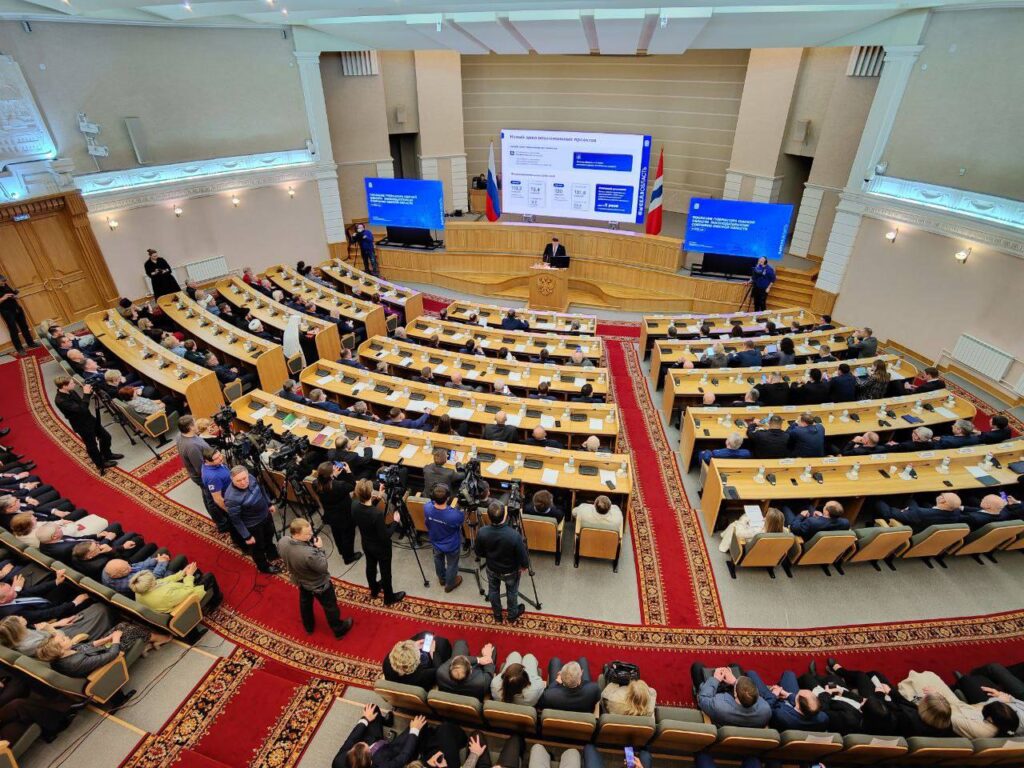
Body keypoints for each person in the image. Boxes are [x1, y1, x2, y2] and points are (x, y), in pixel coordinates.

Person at [277, 518, 353, 639]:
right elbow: (323, 567)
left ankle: (309, 626)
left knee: (305, 604)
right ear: (296, 534)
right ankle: (338, 629)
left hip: (300, 580)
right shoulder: (309, 553)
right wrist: (319, 548)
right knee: (330, 607)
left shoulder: (283, 541)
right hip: (318, 585)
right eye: (307, 534)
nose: (311, 535)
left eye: (311, 531)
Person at [352, 479, 405, 605]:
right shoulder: (376, 514)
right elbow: (385, 535)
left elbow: (366, 509)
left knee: (370, 567)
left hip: (366, 543)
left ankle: (374, 589)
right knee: (385, 572)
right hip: (381, 548)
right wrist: (395, 521)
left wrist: (378, 497)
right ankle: (389, 598)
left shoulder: (354, 505)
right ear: (371, 493)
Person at [475, 501, 529, 623]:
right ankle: (512, 615)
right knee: (512, 592)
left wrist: (490, 556)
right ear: (505, 516)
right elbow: (522, 556)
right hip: (510, 571)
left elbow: (478, 552)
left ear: (489, 516)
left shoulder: (482, 532)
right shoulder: (514, 535)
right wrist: (525, 566)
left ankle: (497, 615)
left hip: (492, 568)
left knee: (493, 591)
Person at [53, 376, 121, 474]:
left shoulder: (71, 391)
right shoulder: (61, 401)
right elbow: (82, 409)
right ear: (64, 386)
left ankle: (107, 454)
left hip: (89, 419)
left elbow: (82, 404)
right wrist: (86, 394)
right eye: (71, 383)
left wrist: (89, 394)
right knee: (92, 446)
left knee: (106, 437)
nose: (74, 384)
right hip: (81, 425)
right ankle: (100, 464)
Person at [223, 465, 281, 574]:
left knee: (269, 535)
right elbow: (235, 519)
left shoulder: (251, 477)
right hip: (253, 525)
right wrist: (247, 536)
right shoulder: (231, 498)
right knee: (257, 548)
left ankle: (271, 553)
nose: (243, 482)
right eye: (238, 480)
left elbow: (261, 489)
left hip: (266, 515)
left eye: (244, 478)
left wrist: (269, 503)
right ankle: (264, 567)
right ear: (232, 480)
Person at [179, 416, 231, 535]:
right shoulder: (192, 446)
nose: (197, 424)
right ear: (190, 427)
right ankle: (223, 524)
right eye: (194, 422)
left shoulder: (184, 436)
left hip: (199, 475)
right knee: (212, 500)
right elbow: (200, 467)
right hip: (202, 477)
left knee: (207, 498)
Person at [332, 704, 424, 768]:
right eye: (365, 746)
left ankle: (387, 722)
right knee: (421, 725)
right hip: (390, 752)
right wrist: (414, 730)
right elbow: (403, 757)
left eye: (355, 746)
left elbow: (351, 739)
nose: (361, 741)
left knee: (372, 708)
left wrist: (365, 719)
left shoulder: (338, 761)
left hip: (373, 741)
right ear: (370, 760)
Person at [746, 668, 828, 731]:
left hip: (773, 704)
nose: (796, 693)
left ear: (798, 705)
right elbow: (801, 702)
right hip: (788, 703)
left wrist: (774, 694)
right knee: (789, 674)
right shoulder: (822, 718)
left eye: (797, 694)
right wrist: (788, 695)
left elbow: (766, 708)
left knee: (751, 673)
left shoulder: (781, 716)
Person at [692, 664, 771, 726]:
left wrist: (715, 679)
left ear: (735, 694)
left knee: (697, 667)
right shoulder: (766, 711)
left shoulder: (719, 706)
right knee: (735, 665)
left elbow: (703, 699)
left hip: (720, 714)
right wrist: (734, 682)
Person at [313, 462, 361, 564]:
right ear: (330, 473)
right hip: (344, 515)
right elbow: (352, 486)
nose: (335, 467)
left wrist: (333, 476)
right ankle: (348, 558)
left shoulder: (316, 484)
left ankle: (342, 551)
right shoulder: (339, 485)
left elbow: (327, 485)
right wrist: (348, 471)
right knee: (348, 536)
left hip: (330, 515)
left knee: (337, 534)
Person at [129, 561, 221, 614]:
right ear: (151, 586)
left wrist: (182, 573)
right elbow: (188, 591)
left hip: (175, 594)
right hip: (187, 601)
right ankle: (216, 599)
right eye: (154, 580)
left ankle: (199, 581)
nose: (155, 579)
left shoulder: (139, 589)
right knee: (209, 576)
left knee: (194, 571)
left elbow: (164, 581)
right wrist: (189, 576)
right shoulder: (165, 595)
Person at [424, 484, 466, 593]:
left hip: (435, 541)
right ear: (447, 498)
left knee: (438, 559)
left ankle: (442, 579)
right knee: (452, 564)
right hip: (451, 545)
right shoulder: (455, 515)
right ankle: (450, 584)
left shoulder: (427, 507)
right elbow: (461, 520)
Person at [200, 447, 244, 546]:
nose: (221, 458)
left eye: (220, 455)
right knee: (235, 525)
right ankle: (241, 544)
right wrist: (230, 511)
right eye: (216, 458)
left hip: (232, 494)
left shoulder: (213, 464)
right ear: (207, 461)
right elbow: (218, 499)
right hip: (229, 503)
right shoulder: (213, 477)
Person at [383, 633, 453, 688]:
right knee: (442, 643)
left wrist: (413, 645)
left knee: (423, 634)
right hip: (419, 684)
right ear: (416, 661)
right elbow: (440, 671)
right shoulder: (422, 675)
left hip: (401, 682)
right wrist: (433, 653)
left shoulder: (386, 663)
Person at [874, 493, 964, 533]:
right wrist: (910, 509)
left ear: (942, 501)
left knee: (878, 502)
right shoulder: (956, 513)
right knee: (909, 499)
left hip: (910, 526)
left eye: (942, 495)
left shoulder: (920, 513)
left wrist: (906, 511)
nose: (941, 495)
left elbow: (891, 513)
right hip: (923, 519)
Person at [719, 507, 786, 553]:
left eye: (766, 518)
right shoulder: (781, 532)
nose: (764, 518)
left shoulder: (757, 532)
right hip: (764, 549)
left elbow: (738, 533)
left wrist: (744, 519)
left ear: (770, 523)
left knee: (735, 525)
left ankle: (724, 547)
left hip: (746, 543)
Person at [0, 274, 36, 355]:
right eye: (2, 282)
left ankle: (31, 343)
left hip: (16, 308)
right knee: (14, 330)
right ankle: (20, 349)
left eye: (5, 281)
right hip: (7, 312)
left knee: (24, 326)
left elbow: (12, 294)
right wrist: (3, 298)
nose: (4, 283)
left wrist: (15, 295)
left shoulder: (5, 284)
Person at [783, 501, 850, 538]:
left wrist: (801, 515)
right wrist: (822, 517)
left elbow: (794, 528)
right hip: (817, 531)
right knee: (809, 506)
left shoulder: (811, 522)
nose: (824, 506)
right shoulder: (845, 523)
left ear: (827, 512)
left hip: (803, 535)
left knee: (785, 507)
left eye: (825, 506)